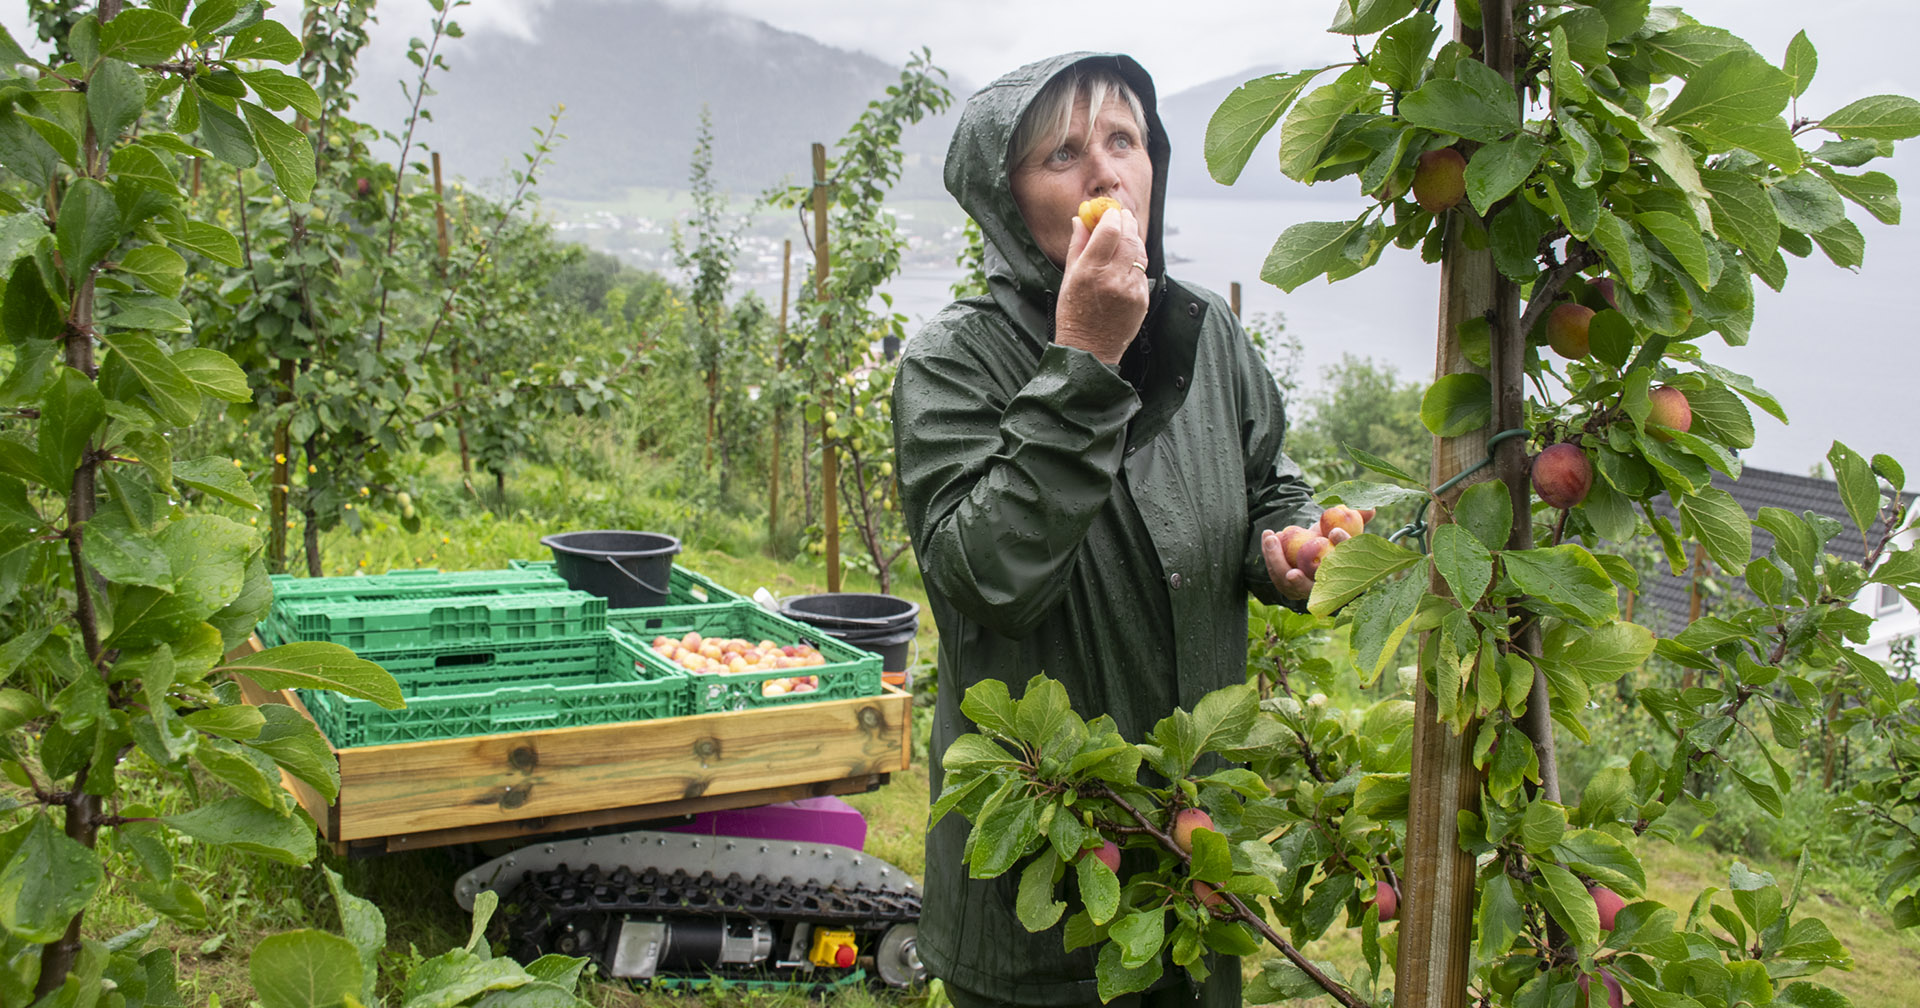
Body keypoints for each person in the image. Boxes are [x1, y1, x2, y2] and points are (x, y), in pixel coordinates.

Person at [892, 53, 1363, 1007]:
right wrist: (1086, 359)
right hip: (1037, 882)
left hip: (1192, 861)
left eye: (1125, 140)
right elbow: (990, 580)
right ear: (1005, 199)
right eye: (1062, 153)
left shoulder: (1203, 333)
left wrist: (1287, 542)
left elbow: (1266, 474)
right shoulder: (953, 364)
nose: (1107, 174)